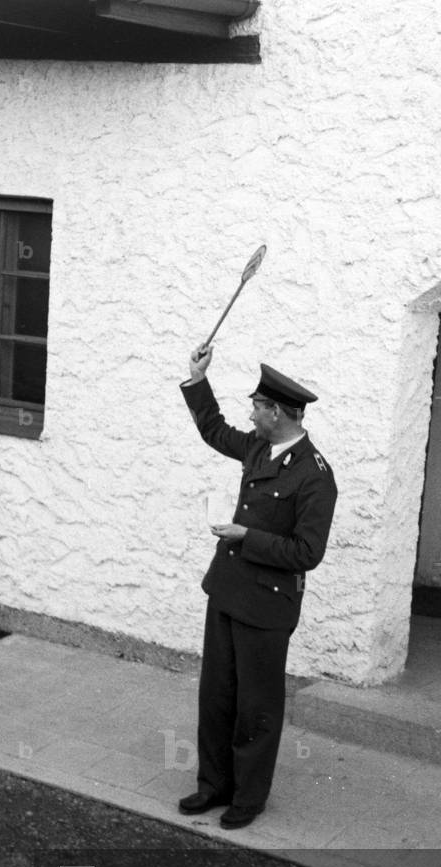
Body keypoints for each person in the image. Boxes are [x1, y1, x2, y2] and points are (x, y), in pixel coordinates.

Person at [178, 344, 337, 829]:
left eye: (257, 407)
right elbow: (213, 430)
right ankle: (214, 785)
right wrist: (197, 379)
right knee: (218, 695)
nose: (251, 414)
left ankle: (249, 796)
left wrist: (249, 537)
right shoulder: (258, 446)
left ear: (277, 413)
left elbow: (307, 554)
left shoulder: (315, 476)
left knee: (257, 705)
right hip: (227, 590)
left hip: (267, 606)